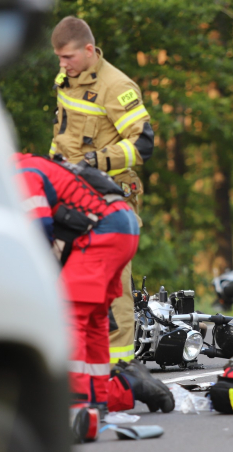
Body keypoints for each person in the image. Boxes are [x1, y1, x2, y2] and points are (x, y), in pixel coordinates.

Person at [14, 154, 173, 416]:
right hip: (123, 225)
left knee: (70, 317)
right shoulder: (37, 165)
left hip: (103, 232)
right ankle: (99, 401)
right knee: (95, 319)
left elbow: (40, 225)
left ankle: (77, 405)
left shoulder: (19, 172)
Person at [49, 16, 154, 365]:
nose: (62, 65)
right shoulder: (68, 78)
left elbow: (142, 144)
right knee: (69, 278)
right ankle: (81, 362)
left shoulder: (116, 86)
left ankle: (121, 369)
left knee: (113, 284)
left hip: (111, 196)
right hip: (70, 193)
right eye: (59, 58)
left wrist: (93, 162)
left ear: (90, 50)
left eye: (68, 57)